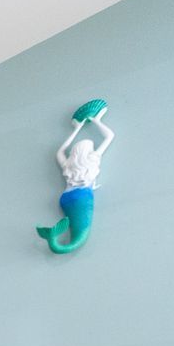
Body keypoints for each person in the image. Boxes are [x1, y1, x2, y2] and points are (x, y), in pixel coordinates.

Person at [38, 106, 113, 255]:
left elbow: (59, 151)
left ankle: (54, 239)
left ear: (74, 153)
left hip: (66, 198)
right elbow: (109, 136)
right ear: (88, 152)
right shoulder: (92, 160)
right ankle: (56, 238)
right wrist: (96, 121)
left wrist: (76, 129)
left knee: (78, 230)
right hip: (83, 198)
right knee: (81, 234)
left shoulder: (68, 164)